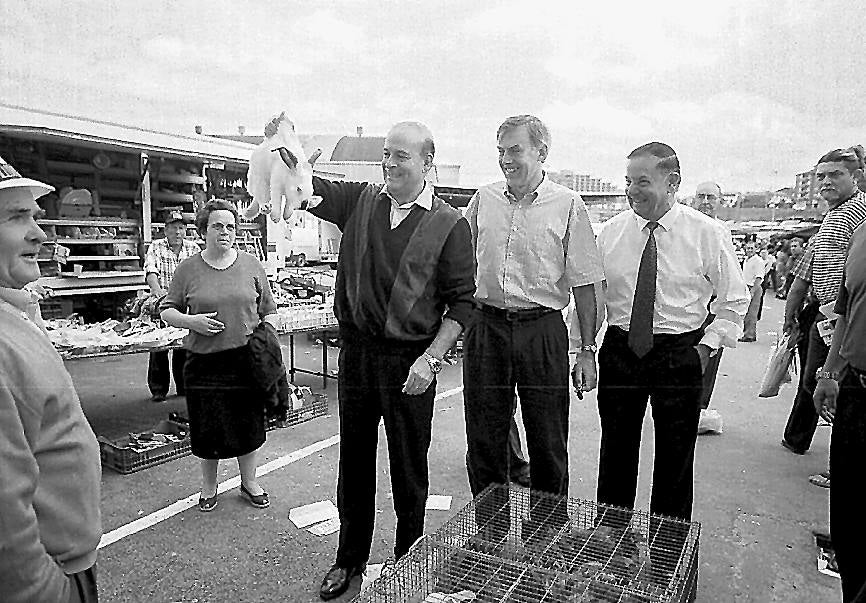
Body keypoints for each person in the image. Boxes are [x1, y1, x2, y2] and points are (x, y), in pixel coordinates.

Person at [268, 120, 476, 600]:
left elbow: (463, 304)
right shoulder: (359, 200)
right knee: (354, 464)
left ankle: (407, 561)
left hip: (410, 363)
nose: (389, 163)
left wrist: (430, 359)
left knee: (409, 469)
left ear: (428, 164)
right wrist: (286, 150)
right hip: (359, 355)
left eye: (401, 156)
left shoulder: (450, 224)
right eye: (386, 153)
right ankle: (349, 560)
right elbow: (305, 184)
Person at [595, 143, 748, 539]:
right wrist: (583, 348)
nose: (631, 191)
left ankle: (669, 553)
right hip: (621, 349)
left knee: (675, 459)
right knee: (615, 453)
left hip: (679, 352)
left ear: (673, 182)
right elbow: (594, 297)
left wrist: (704, 348)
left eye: (642, 182)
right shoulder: (611, 234)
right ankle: (611, 541)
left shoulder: (706, 233)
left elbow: (734, 299)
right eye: (628, 181)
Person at [463, 114, 604, 503]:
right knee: (484, 439)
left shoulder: (568, 205)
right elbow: (457, 263)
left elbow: (586, 284)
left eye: (515, 150)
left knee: (548, 440)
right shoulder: (483, 199)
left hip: (542, 330)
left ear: (542, 152)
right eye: (501, 151)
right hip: (486, 327)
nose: (506, 159)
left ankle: (548, 537)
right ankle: (489, 534)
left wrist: (586, 351)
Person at [0, 154, 101, 602]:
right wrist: (47, 592)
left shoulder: (13, 314)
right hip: (47, 579)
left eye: (34, 216)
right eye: (16, 216)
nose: (39, 233)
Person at [160, 200, 278, 513]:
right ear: (203, 231)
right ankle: (209, 486)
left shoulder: (252, 265)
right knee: (208, 427)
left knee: (248, 425)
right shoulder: (188, 269)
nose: (224, 232)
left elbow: (269, 311)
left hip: (245, 361)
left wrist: (266, 343)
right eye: (216, 226)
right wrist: (191, 322)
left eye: (229, 226)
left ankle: (249, 482)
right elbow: (167, 310)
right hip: (204, 361)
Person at [781, 147, 866, 456]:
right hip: (827, 315)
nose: (826, 182)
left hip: (845, 318)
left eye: (835, 175)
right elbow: (812, 263)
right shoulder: (834, 214)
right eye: (821, 176)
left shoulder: (859, 214)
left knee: (837, 385)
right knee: (817, 382)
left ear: (856, 177)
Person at [813, 220, 866, 602]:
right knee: (849, 522)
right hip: (856, 392)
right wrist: (830, 373)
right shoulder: (862, 232)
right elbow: (846, 311)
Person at [143, 209, 200, 401]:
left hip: (187, 303)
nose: (177, 232)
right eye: (173, 228)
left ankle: (183, 387)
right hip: (163, 302)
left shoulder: (193, 249)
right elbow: (151, 271)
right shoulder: (156, 247)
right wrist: (157, 292)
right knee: (159, 346)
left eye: (181, 228)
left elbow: (200, 273)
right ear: (165, 230)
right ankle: (159, 390)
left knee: (183, 345)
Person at [692, 181, 729, 421]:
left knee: (710, 355)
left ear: (720, 202)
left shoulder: (722, 231)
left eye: (711, 197)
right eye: (701, 196)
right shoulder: (684, 225)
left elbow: (729, 275)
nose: (705, 201)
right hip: (688, 303)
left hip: (713, 305)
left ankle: (699, 408)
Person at [740, 241, 765, 342]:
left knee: (752, 312)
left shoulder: (758, 261)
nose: (749, 250)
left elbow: (759, 277)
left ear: (756, 249)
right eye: (748, 248)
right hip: (746, 287)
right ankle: (746, 333)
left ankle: (750, 335)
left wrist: (753, 291)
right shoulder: (746, 260)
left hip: (754, 287)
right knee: (745, 312)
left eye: (751, 248)